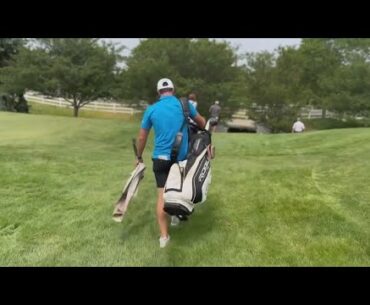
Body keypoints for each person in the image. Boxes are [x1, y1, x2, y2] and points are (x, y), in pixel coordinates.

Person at [135, 78, 206, 248]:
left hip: (160, 159)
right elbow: (202, 123)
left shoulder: (151, 109)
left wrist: (138, 156)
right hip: (180, 159)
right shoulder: (186, 105)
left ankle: (164, 237)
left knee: (162, 196)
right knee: (179, 190)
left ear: (159, 92)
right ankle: (175, 217)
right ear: (172, 90)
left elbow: (142, 137)